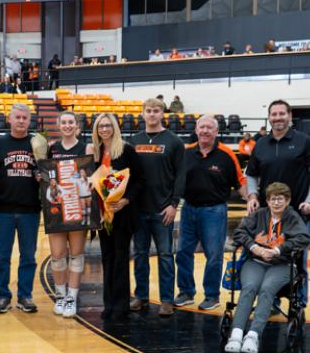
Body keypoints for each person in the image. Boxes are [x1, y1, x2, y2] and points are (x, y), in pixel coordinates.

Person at [225, 182, 310, 353]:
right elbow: (240, 232)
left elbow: (303, 237)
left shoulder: (293, 218)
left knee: (267, 289)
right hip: (255, 261)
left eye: (281, 199)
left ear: (287, 201)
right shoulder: (259, 214)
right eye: (273, 199)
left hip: (282, 264)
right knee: (249, 288)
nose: (277, 202)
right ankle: (236, 334)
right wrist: (254, 247)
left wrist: (278, 250)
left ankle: (253, 336)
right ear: (268, 200)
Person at [175, 115, 246, 310]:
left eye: (209, 128)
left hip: (214, 211)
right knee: (182, 253)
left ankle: (212, 296)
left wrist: (252, 200)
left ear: (216, 132)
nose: (205, 131)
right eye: (202, 127)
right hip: (188, 209)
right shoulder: (186, 153)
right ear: (196, 130)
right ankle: (186, 292)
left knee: (214, 255)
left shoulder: (226, 155)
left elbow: (240, 182)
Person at [246, 100, 310, 306]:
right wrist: (253, 196)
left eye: (282, 114)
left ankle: (298, 300)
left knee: (298, 257)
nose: (278, 118)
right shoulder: (261, 144)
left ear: (290, 116)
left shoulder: (304, 141)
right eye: (274, 114)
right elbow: (251, 174)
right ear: (269, 117)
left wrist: (309, 200)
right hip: (269, 214)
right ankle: (271, 301)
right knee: (269, 256)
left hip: (298, 212)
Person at [129, 98, 185, 316]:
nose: (152, 114)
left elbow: (180, 176)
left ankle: (167, 300)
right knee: (140, 254)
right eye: (148, 111)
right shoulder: (134, 140)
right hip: (139, 210)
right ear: (142, 114)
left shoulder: (174, 142)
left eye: (156, 111)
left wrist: (173, 204)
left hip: (163, 210)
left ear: (163, 114)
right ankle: (141, 296)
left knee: (165, 255)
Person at [92, 113, 144, 320]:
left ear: (114, 127)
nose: (104, 129)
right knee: (107, 258)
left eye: (107, 125)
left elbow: (140, 180)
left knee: (120, 258)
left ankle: (121, 305)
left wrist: (126, 200)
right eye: (100, 126)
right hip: (103, 215)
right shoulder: (96, 152)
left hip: (122, 213)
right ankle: (109, 304)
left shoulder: (126, 150)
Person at [0, 104, 41, 314]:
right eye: (17, 117)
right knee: (2, 256)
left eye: (25, 118)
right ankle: (3, 295)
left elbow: (46, 170)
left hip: (30, 210)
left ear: (29, 121)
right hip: (2, 209)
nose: (21, 121)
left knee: (28, 256)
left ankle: (25, 295)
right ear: (9, 120)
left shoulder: (37, 143)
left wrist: (42, 177)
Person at [47, 111, 94, 318]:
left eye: (70, 122)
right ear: (58, 125)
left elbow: (94, 176)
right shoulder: (52, 149)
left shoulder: (87, 148)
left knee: (76, 255)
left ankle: (71, 298)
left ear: (77, 125)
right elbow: (47, 176)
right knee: (57, 256)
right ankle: (60, 295)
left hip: (77, 208)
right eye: (63, 122)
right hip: (57, 210)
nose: (67, 125)